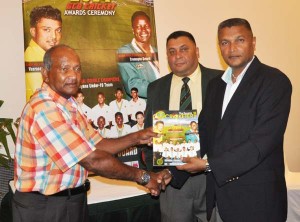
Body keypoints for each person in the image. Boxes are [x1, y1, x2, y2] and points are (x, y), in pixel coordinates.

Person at [13, 45, 172, 222]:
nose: (73, 75)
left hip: (70, 201)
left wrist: (137, 137)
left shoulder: (69, 104)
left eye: (77, 68)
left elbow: (98, 144)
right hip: (45, 207)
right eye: (64, 69)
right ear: (45, 72)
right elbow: (92, 160)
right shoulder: (44, 108)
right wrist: (142, 176)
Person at [177, 18, 292, 222]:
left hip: (257, 204)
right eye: (224, 42)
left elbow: (259, 144)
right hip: (219, 200)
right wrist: (170, 168)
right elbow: (202, 133)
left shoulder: (274, 82)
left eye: (240, 40)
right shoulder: (216, 85)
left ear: (253, 42)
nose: (232, 48)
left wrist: (208, 165)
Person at [144, 31, 222, 222]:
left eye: (183, 49)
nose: (177, 56)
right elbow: (147, 132)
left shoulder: (221, 81)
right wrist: (151, 172)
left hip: (211, 176)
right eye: (171, 51)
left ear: (197, 51)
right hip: (172, 180)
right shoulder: (156, 88)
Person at [117, 11, 160, 99]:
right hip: (143, 109)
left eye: (146, 26)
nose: (143, 30)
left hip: (162, 107)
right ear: (133, 30)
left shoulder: (157, 51)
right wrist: (163, 90)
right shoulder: (125, 52)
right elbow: (133, 84)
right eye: (138, 27)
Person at [25, 5, 62, 101]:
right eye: (47, 30)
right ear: (33, 32)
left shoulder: (46, 56)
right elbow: (43, 100)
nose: (54, 36)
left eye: (58, 30)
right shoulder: (33, 57)